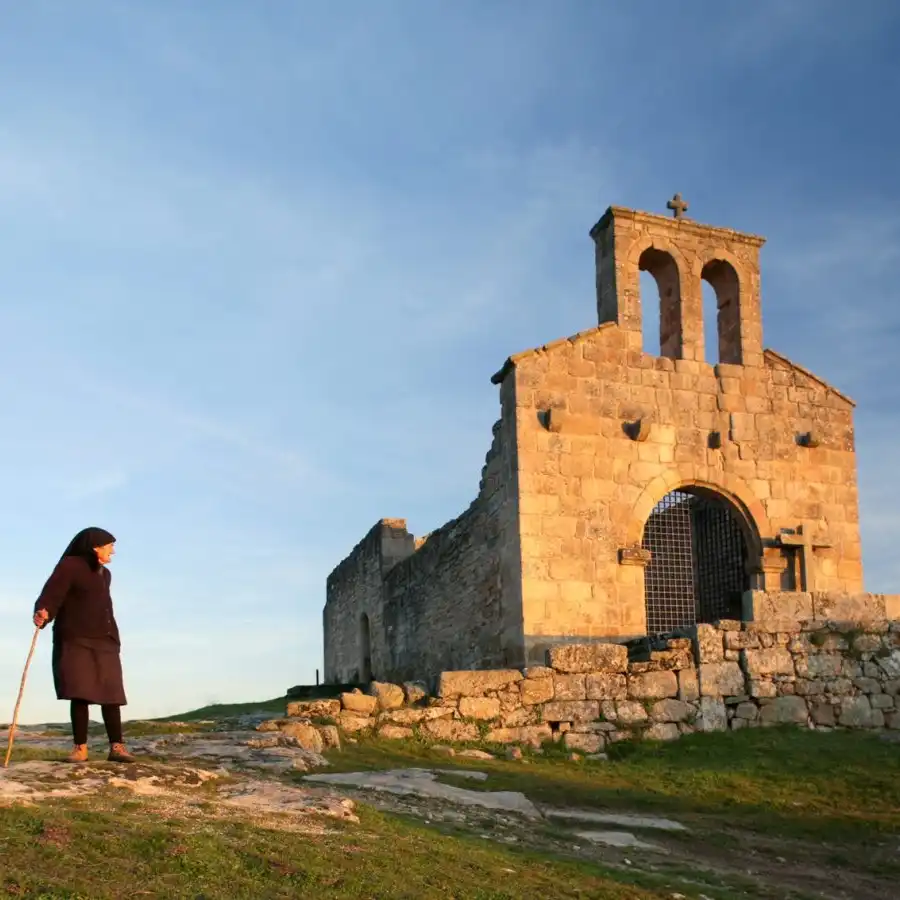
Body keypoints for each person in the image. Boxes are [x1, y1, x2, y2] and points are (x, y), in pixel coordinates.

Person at [32, 527, 135, 764]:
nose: (113, 551)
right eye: (110, 546)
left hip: (105, 639)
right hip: (76, 637)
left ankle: (116, 748)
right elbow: (52, 593)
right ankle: (80, 749)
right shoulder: (70, 566)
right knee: (80, 692)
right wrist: (43, 611)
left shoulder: (105, 574)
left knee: (112, 694)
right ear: (95, 547)